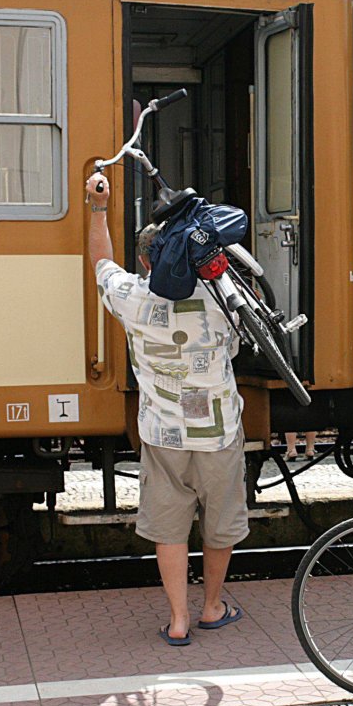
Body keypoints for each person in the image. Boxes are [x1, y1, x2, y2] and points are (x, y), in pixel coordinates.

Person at [85, 170, 247, 646]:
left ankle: (178, 620)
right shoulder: (222, 298)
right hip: (218, 431)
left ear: (144, 259)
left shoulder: (132, 299)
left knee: (170, 527)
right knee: (219, 524)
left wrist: (98, 209)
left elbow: (100, 262)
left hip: (162, 433)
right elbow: (239, 345)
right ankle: (212, 606)